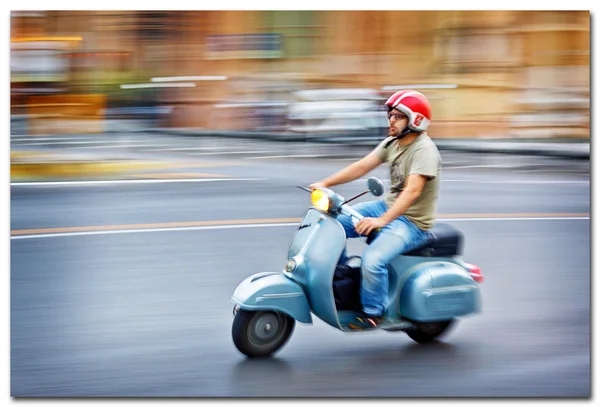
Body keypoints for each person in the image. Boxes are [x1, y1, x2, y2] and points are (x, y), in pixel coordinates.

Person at [309, 90, 442, 330]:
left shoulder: (425, 151)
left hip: (412, 223)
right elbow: (362, 166)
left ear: (415, 120)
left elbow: (412, 192)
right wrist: (325, 184)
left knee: (373, 260)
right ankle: (341, 276)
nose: (391, 120)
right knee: (334, 221)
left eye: (398, 116)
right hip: (388, 207)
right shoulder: (393, 143)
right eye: (390, 115)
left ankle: (373, 313)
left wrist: (381, 220)